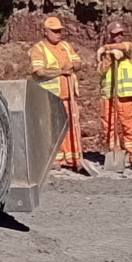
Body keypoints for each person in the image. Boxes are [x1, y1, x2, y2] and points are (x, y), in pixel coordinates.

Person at [30, 15, 85, 172]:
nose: (58, 34)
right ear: (45, 32)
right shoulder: (38, 49)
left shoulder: (66, 46)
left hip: (69, 94)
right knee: (53, 128)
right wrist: (60, 71)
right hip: (50, 96)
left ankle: (73, 158)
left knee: (72, 125)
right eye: (54, 31)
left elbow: (79, 63)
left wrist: (72, 65)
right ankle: (55, 158)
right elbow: (39, 72)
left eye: (59, 31)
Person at [98, 20, 132, 169]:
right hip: (108, 95)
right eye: (115, 34)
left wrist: (106, 48)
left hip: (124, 95)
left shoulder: (128, 47)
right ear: (110, 35)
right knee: (109, 126)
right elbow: (101, 71)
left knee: (128, 126)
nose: (118, 37)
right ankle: (115, 152)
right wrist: (109, 56)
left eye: (120, 34)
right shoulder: (106, 55)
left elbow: (126, 47)